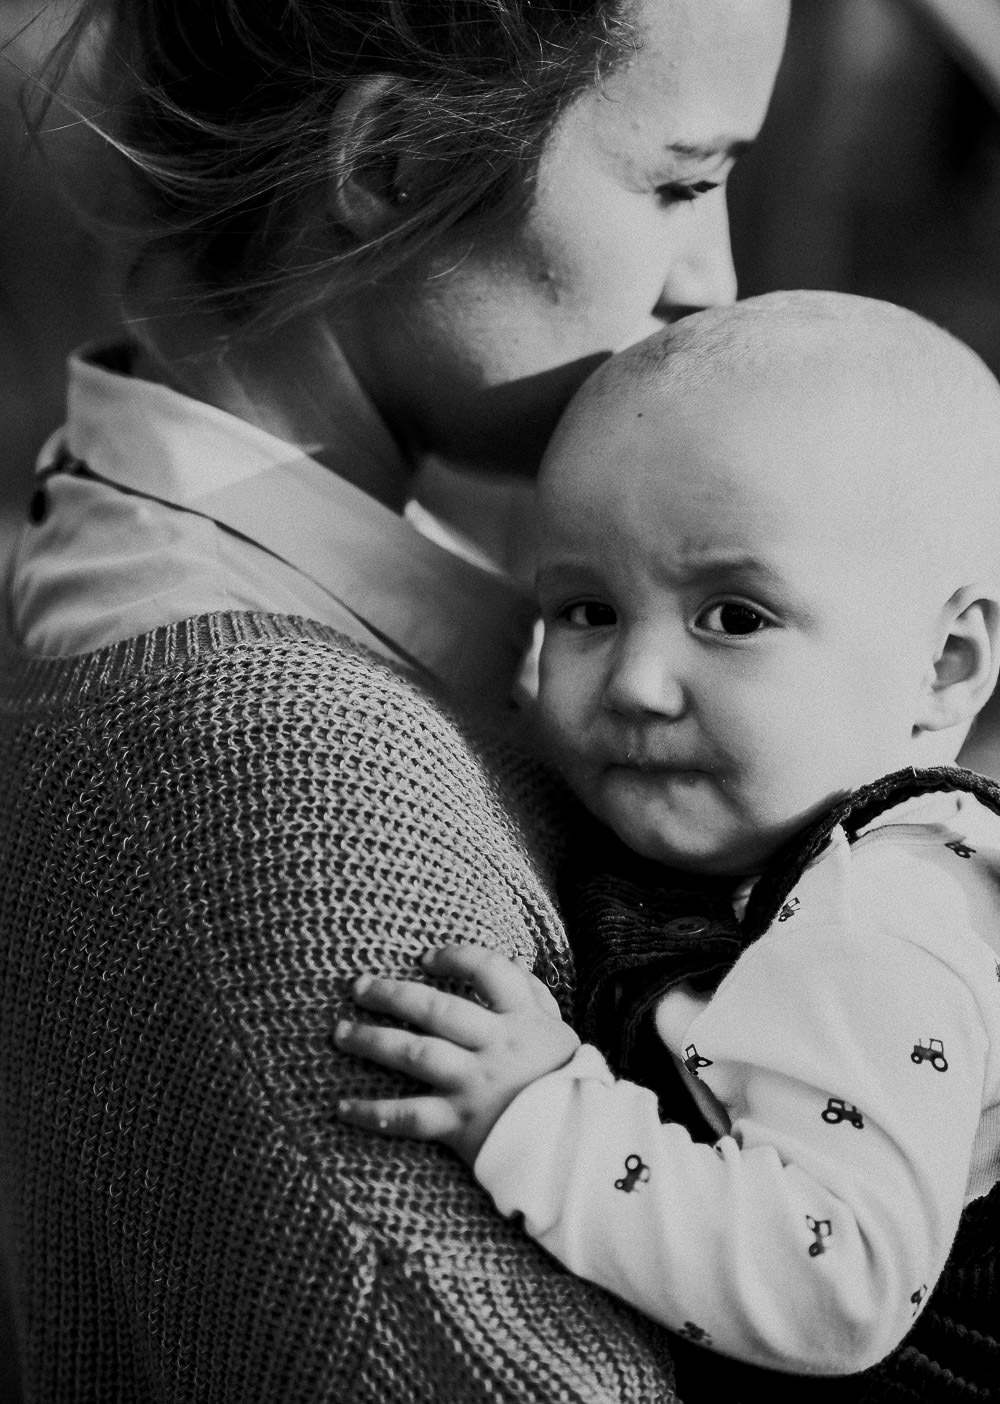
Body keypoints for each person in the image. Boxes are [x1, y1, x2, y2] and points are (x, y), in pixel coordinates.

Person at [0, 0, 791, 1399]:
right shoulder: (262, 758)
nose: (714, 286)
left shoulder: (166, 572)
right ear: (393, 165)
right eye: (684, 183)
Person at [334, 291, 1000, 1400]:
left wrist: (540, 1118)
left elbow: (836, 1283)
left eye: (732, 617)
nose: (636, 685)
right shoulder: (744, 841)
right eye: (586, 612)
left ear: (942, 667)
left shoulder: (882, 912)